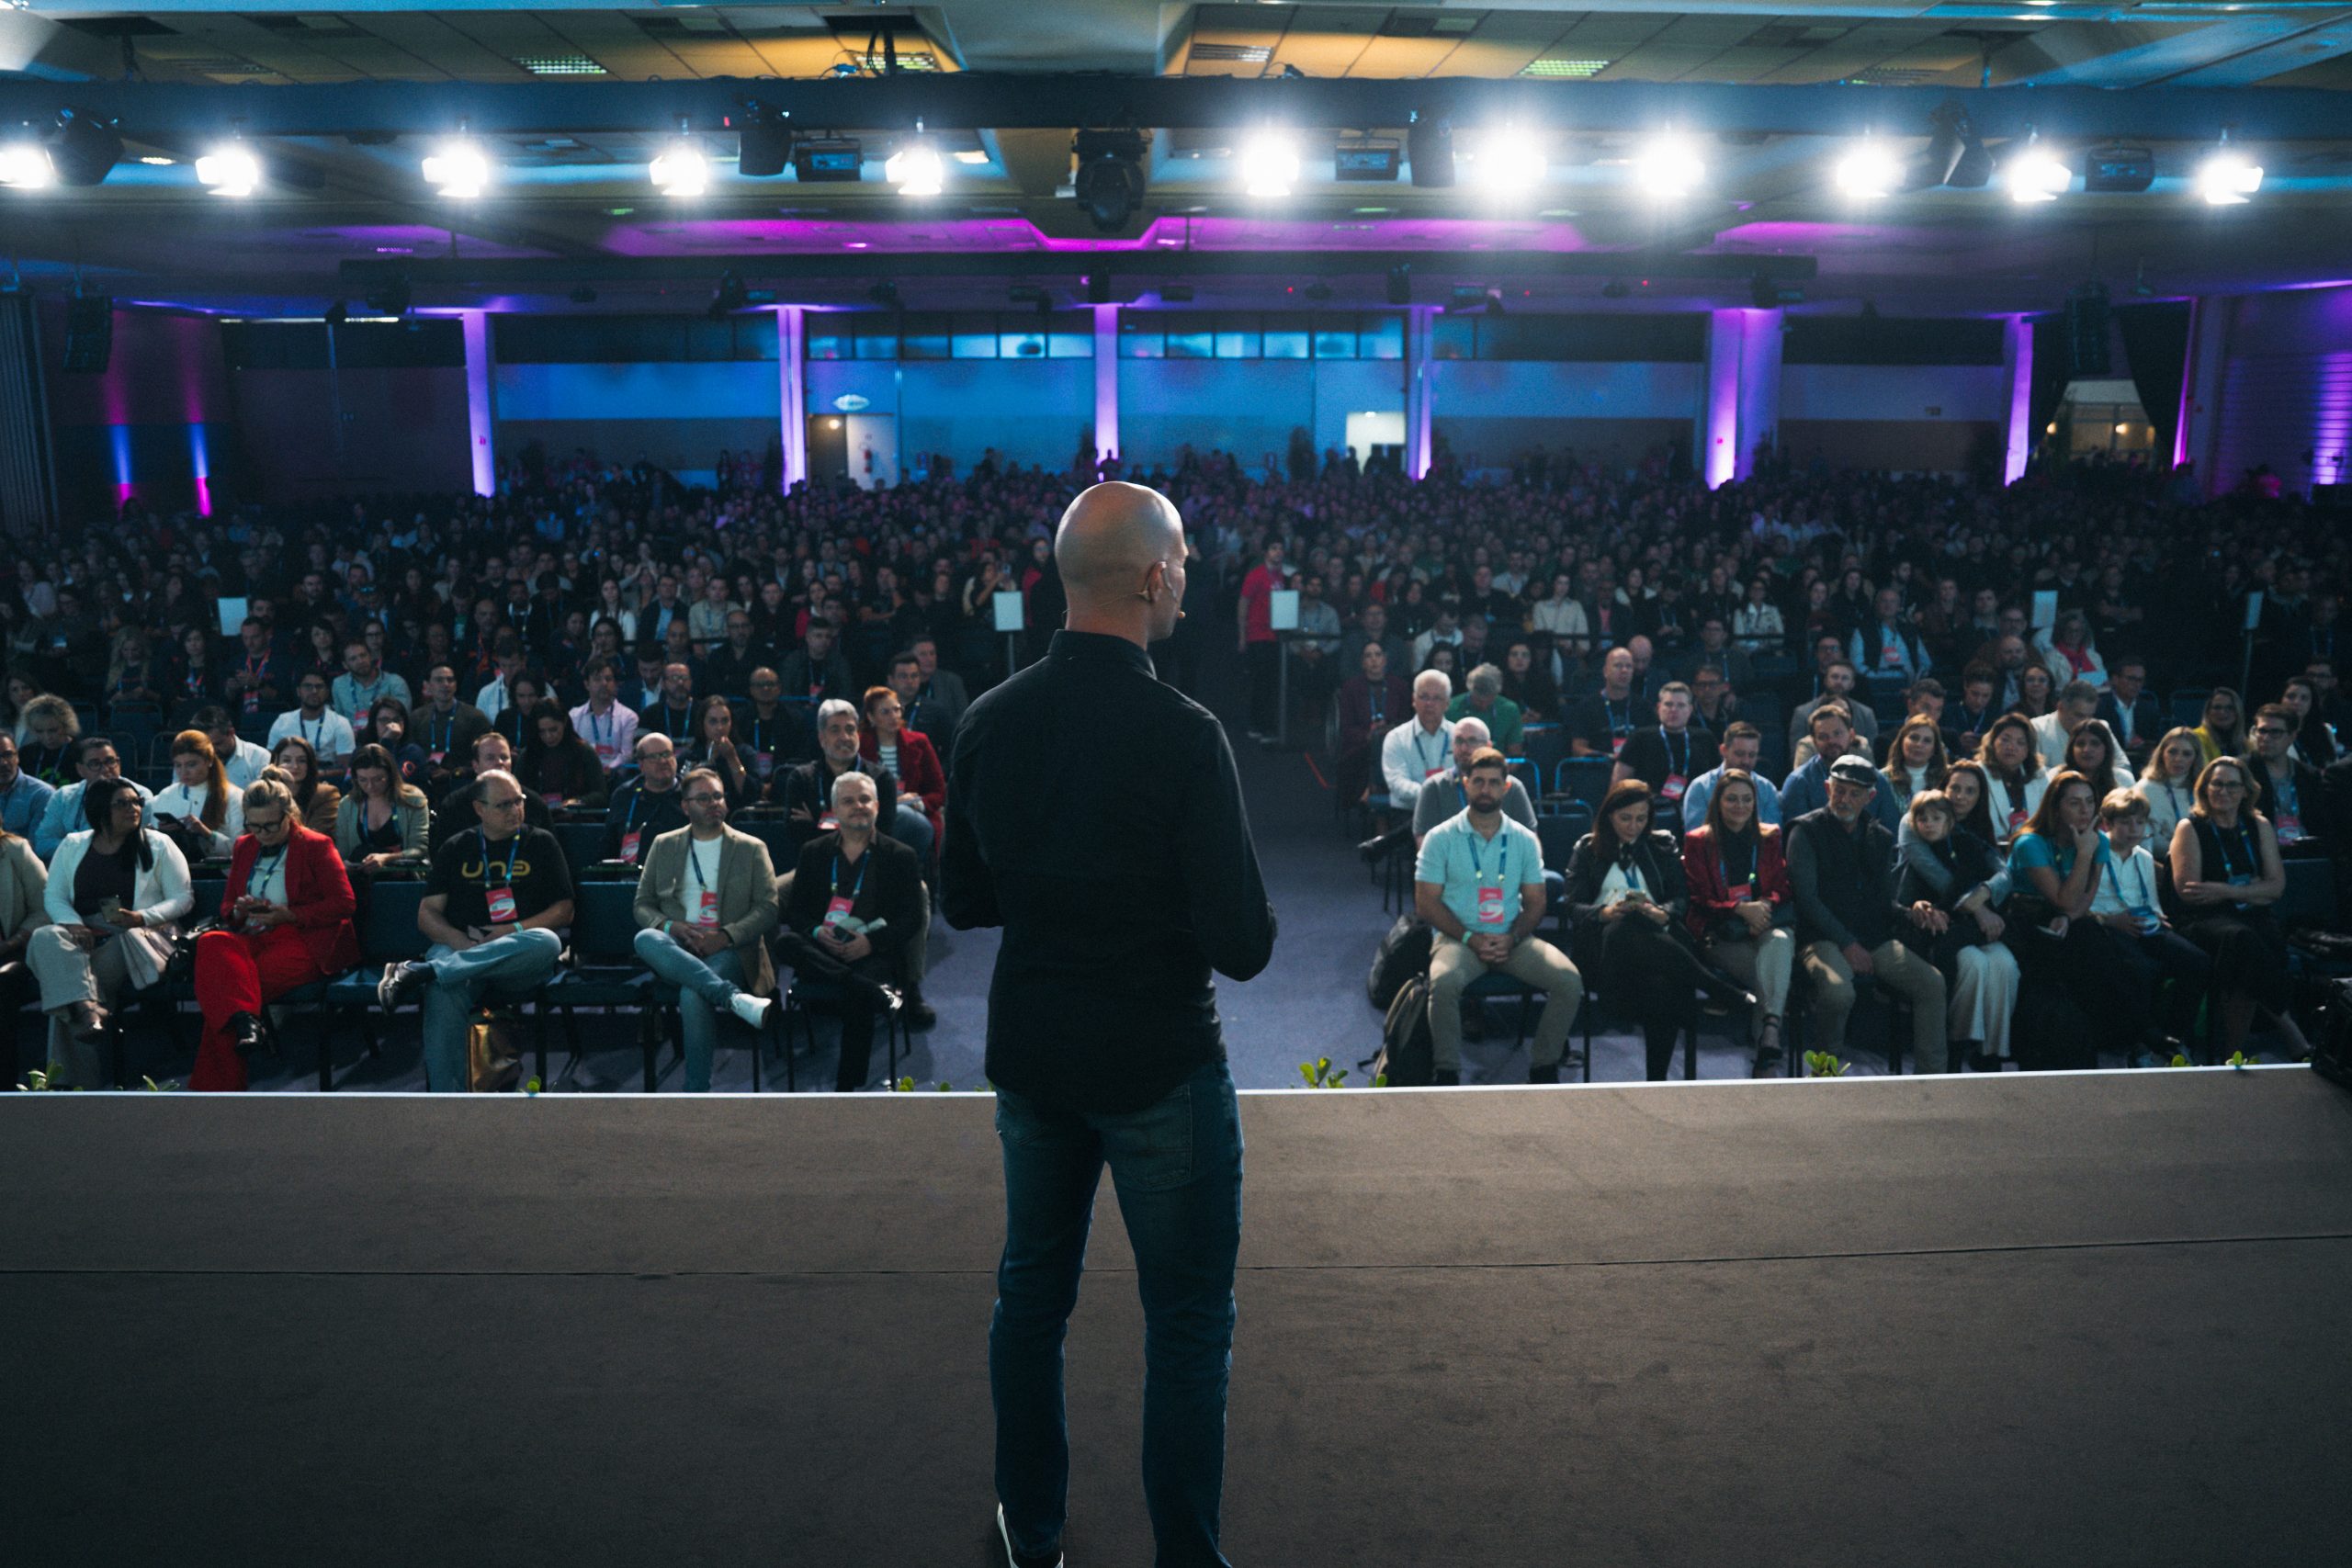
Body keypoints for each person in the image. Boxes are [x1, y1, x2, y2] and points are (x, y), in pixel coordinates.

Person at [943, 481, 1274, 1568]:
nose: (1188, 574)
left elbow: (967, 902)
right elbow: (1244, 943)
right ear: (1152, 577)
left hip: (1034, 1058)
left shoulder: (989, 720)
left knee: (1030, 1298)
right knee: (1185, 1324)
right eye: (1181, 558)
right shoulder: (1183, 735)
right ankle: (1187, 1555)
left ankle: (1028, 1530)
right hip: (1159, 1066)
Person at [377, 768, 575, 1092]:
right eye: (504, 805)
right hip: (461, 946)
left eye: (518, 802)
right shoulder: (457, 847)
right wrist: (460, 942)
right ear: (479, 808)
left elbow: (564, 911)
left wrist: (511, 930)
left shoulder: (541, 843)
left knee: (548, 942)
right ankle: (447, 1100)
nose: (515, 811)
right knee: (442, 989)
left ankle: (421, 972)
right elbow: (427, 915)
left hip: (517, 953)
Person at [1564, 779, 1749, 1081]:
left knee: (1662, 988)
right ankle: (1716, 988)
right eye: (1625, 818)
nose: (1633, 827)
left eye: (1641, 819)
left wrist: (1660, 913)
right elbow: (1572, 906)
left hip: (1658, 949)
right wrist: (1606, 913)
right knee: (1624, 923)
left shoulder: (1661, 844)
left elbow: (1680, 898)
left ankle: (1656, 1084)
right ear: (1609, 815)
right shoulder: (1587, 848)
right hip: (1606, 954)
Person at [187, 776, 358, 1092]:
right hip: (253, 936)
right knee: (212, 943)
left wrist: (290, 915)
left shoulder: (316, 845)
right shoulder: (244, 845)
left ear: (288, 815)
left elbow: (345, 903)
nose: (262, 834)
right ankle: (246, 1024)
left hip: (303, 939)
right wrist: (240, 910)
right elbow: (228, 906)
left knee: (225, 993)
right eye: (254, 826)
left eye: (269, 826)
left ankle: (215, 1089)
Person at [1786, 755, 1950, 1072]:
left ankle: (1931, 1079)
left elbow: (1882, 902)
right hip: (1822, 937)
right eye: (1839, 790)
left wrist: (1910, 912)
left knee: (1931, 984)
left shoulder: (1880, 837)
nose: (1844, 798)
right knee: (1838, 992)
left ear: (1870, 797)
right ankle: (1825, 1076)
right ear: (1826, 788)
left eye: (1854, 793)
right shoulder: (1804, 832)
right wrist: (1847, 942)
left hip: (1872, 937)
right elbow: (1807, 900)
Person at [28, 778, 193, 1087]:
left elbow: (183, 898)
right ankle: (89, 1009)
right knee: (45, 937)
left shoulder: (158, 844)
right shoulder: (74, 844)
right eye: (122, 803)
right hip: (82, 933)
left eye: (136, 802)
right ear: (100, 809)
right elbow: (55, 895)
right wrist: (72, 923)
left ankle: (71, 1082)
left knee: (71, 988)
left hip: (134, 937)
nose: (133, 809)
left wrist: (142, 916)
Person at [631, 767, 780, 1092]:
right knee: (646, 937)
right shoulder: (664, 844)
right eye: (703, 798)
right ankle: (733, 999)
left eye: (718, 796)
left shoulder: (751, 847)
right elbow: (642, 905)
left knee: (693, 992)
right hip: (677, 947)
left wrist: (724, 936)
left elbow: (768, 908)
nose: (713, 803)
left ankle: (696, 1092)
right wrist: (673, 927)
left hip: (731, 950)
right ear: (685, 807)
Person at [2006, 770, 2162, 1066]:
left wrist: (2068, 917)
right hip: (2028, 921)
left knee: (2098, 943)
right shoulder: (2032, 843)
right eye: (2074, 803)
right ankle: (2139, 1034)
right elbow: (2062, 898)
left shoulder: (2097, 841)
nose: (2085, 810)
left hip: (2069, 919)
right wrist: (2083, 854)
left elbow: (2085, 897)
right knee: (2093, 947)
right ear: (2056, 808)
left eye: (2090, 802)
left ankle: (2125, 1037)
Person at [779, 770, 922, 1091]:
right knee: (786, 942)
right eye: (848, 801)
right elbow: (796, 913)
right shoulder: (814, 852)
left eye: (864, 799)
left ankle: (848, 1089)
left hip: (872, 952)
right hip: (823, 950)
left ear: (877, 805)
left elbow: (911, 919)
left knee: (858, 990)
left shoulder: (901, 856)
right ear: (834, 810)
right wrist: (817, 932)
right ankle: (870, 991)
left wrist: (870, 943)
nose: (858, 806)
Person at [2170, 756, 2311, 1061]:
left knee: (2254, 944)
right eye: (2216, 784)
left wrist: (2224, 889)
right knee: (2242, 940)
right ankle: (2290, 1031)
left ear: (2246, 790)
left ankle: (2231, 1051)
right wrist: (2251, 890)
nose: (2224, 790)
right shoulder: (2190, 827)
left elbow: (2276, 887)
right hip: (2202, 920)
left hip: (2249, 915)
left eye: (2232, 784)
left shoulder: (2258, 825)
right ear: (2204, 788)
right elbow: (2189, 892)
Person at [1892, 790, 2018, 1070]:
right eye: (1922, 819)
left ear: (1949, 821)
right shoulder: (1914, 852)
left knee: (2004, 964)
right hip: (1939, 930)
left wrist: (1980, 903)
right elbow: (1900, 898)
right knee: (1970, 963)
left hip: (1970, 923)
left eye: (1936, 818)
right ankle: (1956, 1043)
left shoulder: (1967, 843)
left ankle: (1992, 1051)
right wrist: (1919, 908)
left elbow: (1993, 876)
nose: (1928, 824)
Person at [1682, 768, 1795, 1074]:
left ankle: (1767, 1033)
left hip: (1764, 924)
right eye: (1731, 799)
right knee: (1773, 974)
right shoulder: (1698, 841)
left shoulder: (1769, 835)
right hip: (1721, 932)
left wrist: (1761, 908)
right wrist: (1738, 909)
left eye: (1747, 799)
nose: (1740, 806)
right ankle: (1768, 1043)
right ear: (1717, 802)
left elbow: (1780, 887)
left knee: (1781, 941)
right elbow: (1698, 897)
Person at [2091, 790, 2211, 1066]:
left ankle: (2175, 1038)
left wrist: (2159, 920)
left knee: (2198, 962)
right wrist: (2111, 920)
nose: (2133, 829)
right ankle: (2143, 1041)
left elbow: (2152, 903)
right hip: (2109, 925)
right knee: (2141, 968)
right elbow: (2082, 906)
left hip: (2144, 924)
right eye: (2125, 822)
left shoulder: (2143, 857)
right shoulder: (2095, 854)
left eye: (2138, 822)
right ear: (2107, 824)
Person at [1611, 682, 1719, 836]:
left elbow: (1717, 781)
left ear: (1690, 710)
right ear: (1658, 708)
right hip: (1650, 811)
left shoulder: (1705, 738)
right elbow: (1619, 782)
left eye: (1680, 706)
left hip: (1697, 811)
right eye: (1668, 705)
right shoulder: (1640, 737)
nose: (1673, 710)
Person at [1409, 716, 1535, 843]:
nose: (1464, 748)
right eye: (1459, 741)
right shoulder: (1434, 787)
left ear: (1489, 746)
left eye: (1472, 741)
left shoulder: (1512, 787)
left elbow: (1530, 842)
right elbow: (1424, 845)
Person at [1781, 704, 1900, 833]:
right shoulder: (1799, 782)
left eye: (1837, 733)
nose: (1831, 741)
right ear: (1814, 741)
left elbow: (1891, 832)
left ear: (1851, 735)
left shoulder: (1876, 780)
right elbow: (1797, 836)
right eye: (1823, 736)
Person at [33, 737, 155, 862]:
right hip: (75, 864)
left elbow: (143, 842)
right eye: (95, 764)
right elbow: (43, 843)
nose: (105, 769)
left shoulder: (139, 795)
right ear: (80, 770)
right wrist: (88, 848)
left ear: (118, 763)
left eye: (110, 761)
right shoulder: (63, 797)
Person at [860, 684, 944, 859]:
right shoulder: (860, 745)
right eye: (885, 712)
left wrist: (920, 803)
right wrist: (895, 802)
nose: (894, 716)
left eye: (897, 709)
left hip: (916, 814)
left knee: (907, 819)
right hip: (873, 814)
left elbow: (939, 791)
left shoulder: (919, 741)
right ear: (871, 717)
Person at [2245, 703, 2331, 852]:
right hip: (2261, 850)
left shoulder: (2309, 775)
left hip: (2305, 850)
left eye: (2275, 732)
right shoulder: (2243, 770)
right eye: (2262, 731)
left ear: (2292, 736)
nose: (2266, 738)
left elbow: (2320, 822)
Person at [149, 728, 244, 863]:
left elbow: (241, 850)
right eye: (178, 765)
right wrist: (161, 833)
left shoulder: (234, 796)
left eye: (191, 764)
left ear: (209, 761)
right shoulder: (165, 796)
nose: (184, 772)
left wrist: (208, 834)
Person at [334, 743, 432, 872]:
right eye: (363, 780)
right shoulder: (347, 805)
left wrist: (387, 858)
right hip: (359, 876)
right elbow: (343, 853)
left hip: (402, 875)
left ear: (390, 775)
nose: (370, 786)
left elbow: (419, 849)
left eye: (378, 779)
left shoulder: (413, 799)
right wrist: (345, 864)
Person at [1336, 641, 1410, 806]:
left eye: (1378, 655)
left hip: (1395, 742)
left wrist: (1389, 730)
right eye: (1368, 656)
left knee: (1385, 744)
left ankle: (1375, 793)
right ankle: (1376, 795)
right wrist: (1368, 734)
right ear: (1362, 663)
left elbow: (1406, 721)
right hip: (1361, 745)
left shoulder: (1400, 686)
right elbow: (1346, 727)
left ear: (1385, 659)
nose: (1374, 660)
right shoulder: (1351, 688)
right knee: (1376, 744)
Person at [603, 731, 687, 865]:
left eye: (667, 754)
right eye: (654, 757)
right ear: (641, 764)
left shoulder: (690, 793)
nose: (663, 761)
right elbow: (609, 845)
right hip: (633, 876)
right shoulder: (624, 795)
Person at [1378, 671, 1457, 813]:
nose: (1429, 704)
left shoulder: (1459, 736)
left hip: (1451, 813)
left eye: (1437, 698)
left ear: (1447, 703)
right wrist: (1433, 795)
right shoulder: (1396, 737)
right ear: (1414, 700)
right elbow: (1397, 784)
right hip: (1408, 814)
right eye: (1424, 697)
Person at [1680, 722, 1779, 830]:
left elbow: (1772, 835)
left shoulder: (1767, 789)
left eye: (1752, 755)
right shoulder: (1700, 787)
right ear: (1723, 750)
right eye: (1739, 754)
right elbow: (1696, 836)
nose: (1746, 761)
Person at [1788, 660, 1881, 768]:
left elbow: (1871, 755)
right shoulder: (1802, 713)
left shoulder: (1866, 714)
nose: (1839, 682)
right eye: (1835, 677)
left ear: (1852, 684)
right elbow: (1796, 756)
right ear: (1825, 680)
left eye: (1845, 678)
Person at [521, 701, 609, 809]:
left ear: (565, 723)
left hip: (575, 818)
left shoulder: (584, 752)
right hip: (538, 818)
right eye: (542, 731)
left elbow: (601, 795)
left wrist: (576, 802)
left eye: (553, 730)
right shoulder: (528, 755)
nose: (548, 736)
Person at [1976, 715, 2048, 847]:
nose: (2011, 747)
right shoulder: (1978, 773)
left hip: (2032, 846)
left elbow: (2047, 818)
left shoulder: (2039, 774)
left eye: (2020, 743)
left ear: (2028, 749)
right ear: (1993, 742)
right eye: (2005, 740)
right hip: (1992, 847)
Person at [2133, 727, 2205, 857]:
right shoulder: (2144, 789)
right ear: (2162, 754)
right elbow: (2146, 841)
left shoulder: (2204, 789)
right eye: (2172, 752)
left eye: (2187, 754)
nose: (2178, 759)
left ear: (2195, 758)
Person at [567, 656, 639, 773]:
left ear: (615, 683)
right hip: (583, 774)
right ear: (587, 684)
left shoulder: (629, 717)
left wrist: (607, 769)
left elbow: (626, 754)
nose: (604, 683)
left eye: (608, 679)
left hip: (615, 775)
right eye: (597, 679)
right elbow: (572, 751)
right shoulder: (574, 715)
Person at [1568, 646, 1643, 760]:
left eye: (1629, 666)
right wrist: (1607, 757)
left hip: (1635, 770)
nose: (1624, 670)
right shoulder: (1586, 706)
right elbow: (1577, 748)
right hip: (1599, 768)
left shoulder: (1643, 706)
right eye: (1618, 665)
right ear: (1605, 672)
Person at [268, 672, 356, 767]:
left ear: (327, 692)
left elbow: (345, 768)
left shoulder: (341, 723)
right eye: (308, 686)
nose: (314, 691)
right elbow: (271, 762)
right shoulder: (283, 721)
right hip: (290, 774)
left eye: (319, 687)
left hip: (328, 776)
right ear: (298, 691)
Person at [268, 735, 343, 836]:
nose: (294, 766)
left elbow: (315, 837)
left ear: (309, 764)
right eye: (286, 760)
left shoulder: (326, 794)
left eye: (301, 761)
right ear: (275, 764)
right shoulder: (267, 794)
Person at [2097, 656, 2164, 768]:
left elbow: (2156, 740)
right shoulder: (2100, 707)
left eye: (2140, 680)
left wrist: (2143, 744)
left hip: (2141, 762)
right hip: (2109, 762)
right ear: (2115, 680)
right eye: (2131, 679)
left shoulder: (2149, 709)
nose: (2136, 684)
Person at [1445, 662, 1524, 752]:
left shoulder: (1510, 710)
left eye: (1489, 700)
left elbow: (1515, 755)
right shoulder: (1451, 708)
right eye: (1478, 700)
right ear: (1470, 690)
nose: (1483, 705)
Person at [778, 616, 854, 705]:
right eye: (818, 636)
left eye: (828, 637)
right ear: (808, 638)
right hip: (798, 712)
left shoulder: (839, 662)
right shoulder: (793, 661)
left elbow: (845, 692)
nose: (824, 640)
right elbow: (785, 693)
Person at [330, 637, 411, 722]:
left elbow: (402, 718)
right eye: (353, 659)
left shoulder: (395, 682)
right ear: (345, 665)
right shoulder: (339, 684)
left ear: (371, 656)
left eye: (363, 655)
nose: (360, 661)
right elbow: (339, 721)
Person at [1881, 714, 1950, 809]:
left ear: (1934, 748)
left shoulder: (1947, 778)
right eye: (1914, 738)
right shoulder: (1882, 779)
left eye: (1927, 741)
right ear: (1902, 741)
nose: (1919, 744)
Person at [0, 732, 58, 840]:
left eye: (8, 755)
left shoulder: (41, 794)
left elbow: (37, 845)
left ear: (17, 756)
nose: (3, 763)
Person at [2192, 687, 2247, 767]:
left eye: (2229, 708)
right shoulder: (2195, 738)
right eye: (2217, 707)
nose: (2222, 712)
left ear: (2238, 712)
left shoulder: (2245, 743)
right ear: (2208, 712)